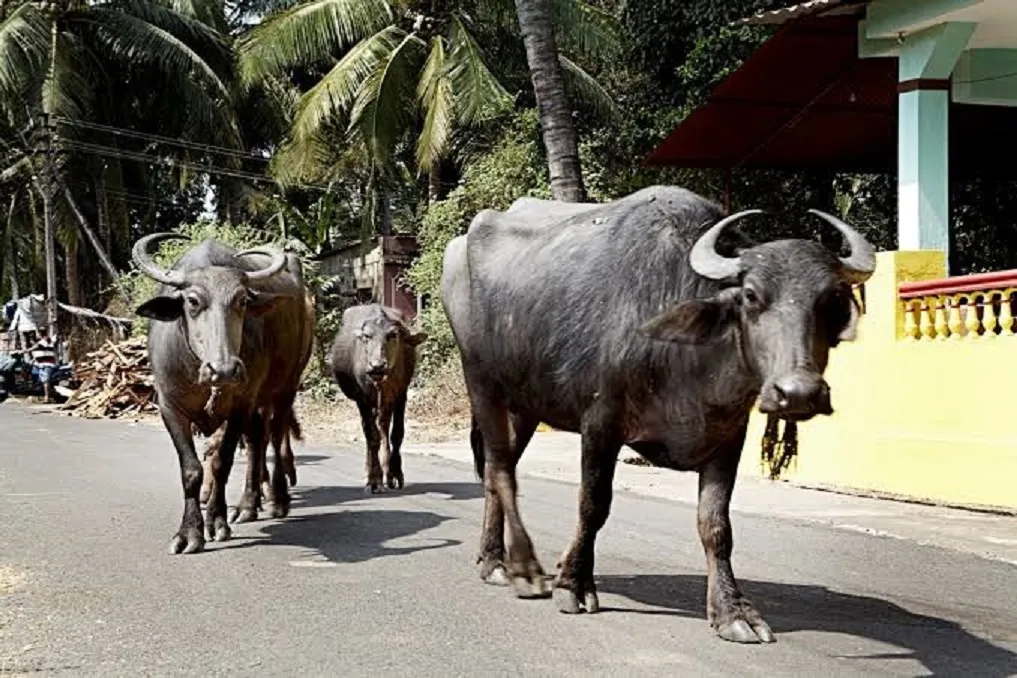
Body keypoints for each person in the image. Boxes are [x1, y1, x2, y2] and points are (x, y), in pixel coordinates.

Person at [29, 330, 57, 403]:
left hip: (46, 364)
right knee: (41, 379)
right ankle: (43, 395)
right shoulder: (47, 341)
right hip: (41, 364)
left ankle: (46, 397)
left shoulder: (43, 342)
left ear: (40, 335)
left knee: (45, 381)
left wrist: (22, 351)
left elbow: (33, 348)